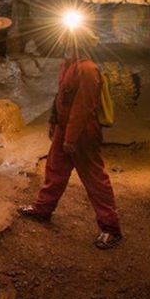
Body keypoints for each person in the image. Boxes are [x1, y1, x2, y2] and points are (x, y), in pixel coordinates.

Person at [18, 25, 122, 249]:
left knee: (94, 178)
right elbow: (61, 97)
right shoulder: (68, 65)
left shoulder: (87, 70)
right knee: (54, 169)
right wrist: (54, 122)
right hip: (65, 129)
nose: (64, 44)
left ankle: (110, 228)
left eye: (68, 40)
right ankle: (42, 208)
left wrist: (71, 139)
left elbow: (82, 108)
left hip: (83, 132)